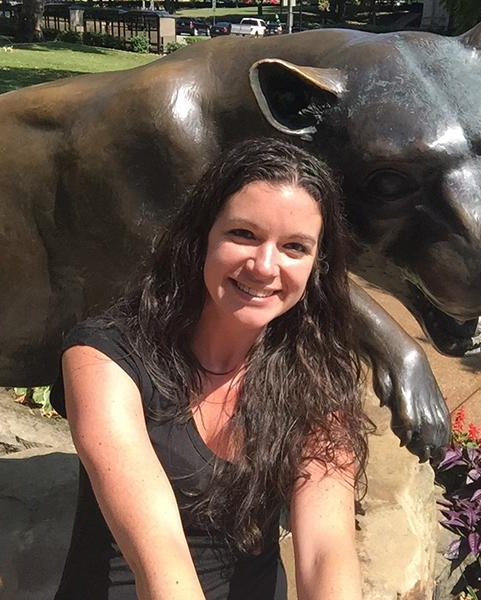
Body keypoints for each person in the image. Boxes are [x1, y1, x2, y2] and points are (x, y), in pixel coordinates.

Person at [51, 138, 373, 600]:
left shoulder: (316, 374)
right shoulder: (104, 357)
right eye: (243, 234)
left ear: (315, 266)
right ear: (202, 235)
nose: (265, 266)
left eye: (294, 247)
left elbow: (326, 549)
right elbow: (161, 562)